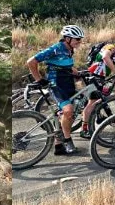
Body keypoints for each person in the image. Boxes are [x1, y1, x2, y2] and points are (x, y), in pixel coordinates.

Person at [26, 24, 84, 155]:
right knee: (68, 111)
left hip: (67, 83)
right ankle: (68, 141)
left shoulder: (69, 49)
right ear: (67, 38)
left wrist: (79, 73)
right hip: (56, 84)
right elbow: (31, 62)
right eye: (77, 39)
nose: (80, 42)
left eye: (80, 39)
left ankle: (58, 146)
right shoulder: (56, 49)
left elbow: (67, 66)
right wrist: (39, 79)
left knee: (66, 114)